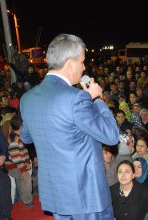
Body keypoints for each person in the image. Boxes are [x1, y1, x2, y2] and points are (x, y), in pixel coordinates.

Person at [19, 34, 119, 219]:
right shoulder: (76, 97)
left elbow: (26, 137)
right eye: (82, 61)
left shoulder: (27, 98)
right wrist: (97, 99)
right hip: (87, 197)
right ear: (70, 63)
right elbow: (112, 136)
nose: (84, 67)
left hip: (56, 195)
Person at [4, 114, 33, 208]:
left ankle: (22, 200)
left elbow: (24, 152)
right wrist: (24, 170)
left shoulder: (19, 137)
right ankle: (28, 201)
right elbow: (16, 157)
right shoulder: (15, 139)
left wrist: (28, 162)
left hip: (18, 164)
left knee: (22, 182)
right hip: (13, 166)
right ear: (21, 127)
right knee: (26, 178)